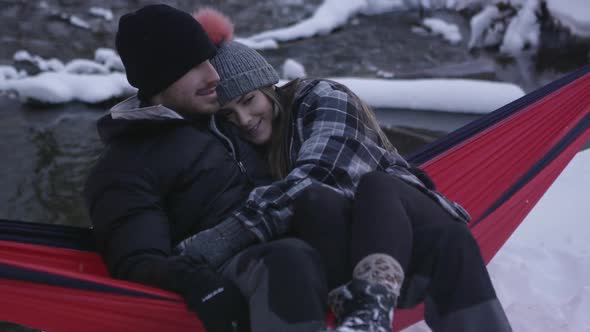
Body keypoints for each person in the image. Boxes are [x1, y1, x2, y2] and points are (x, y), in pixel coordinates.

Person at [178, 10, 513, 332]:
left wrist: (221, 239)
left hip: (414, 229)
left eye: (249, 100)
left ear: (268, 86)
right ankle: (363, 314)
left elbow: (323, 173)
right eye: (229, 115)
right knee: (314, 203)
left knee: (376, 187)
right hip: (349, 267)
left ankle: (370, 309)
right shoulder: (244, 149)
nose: (244, 119)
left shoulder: (322, 97)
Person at [84, 4, 330, 332]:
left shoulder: (226, 120)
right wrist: (198, 283)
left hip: (305, 247)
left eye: (209, 61)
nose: (214, 75)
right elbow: (137, 260)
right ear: (160, 76)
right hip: (246, 268)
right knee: (287, 258)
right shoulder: (124, 166)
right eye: (194, 66)